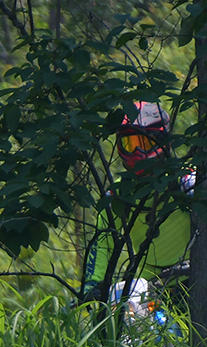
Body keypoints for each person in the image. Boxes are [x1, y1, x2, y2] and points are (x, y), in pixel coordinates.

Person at [80, 100, 195, 303]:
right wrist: (93, 285)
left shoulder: (186, 181)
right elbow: (103, 242)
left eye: (145, 144)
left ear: (162, 140)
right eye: (129, 144)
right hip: (150, 292)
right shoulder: (118, 195)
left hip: (198, 279)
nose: (137, 153)